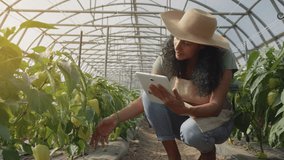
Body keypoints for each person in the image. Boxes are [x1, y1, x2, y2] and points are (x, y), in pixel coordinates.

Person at [90, 8, 238, 160]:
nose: (178, 46)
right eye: (176, 37)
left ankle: (207, 152)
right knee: (149, 94)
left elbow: (215, 106)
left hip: (217, 121)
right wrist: (115, 118)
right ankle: (173, 156)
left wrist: (186, 109)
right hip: (184, 115)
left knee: (191, 132)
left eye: (186, 43)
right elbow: (147, 98)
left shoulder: (222, 57)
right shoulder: (167, 59)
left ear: (202, 45)